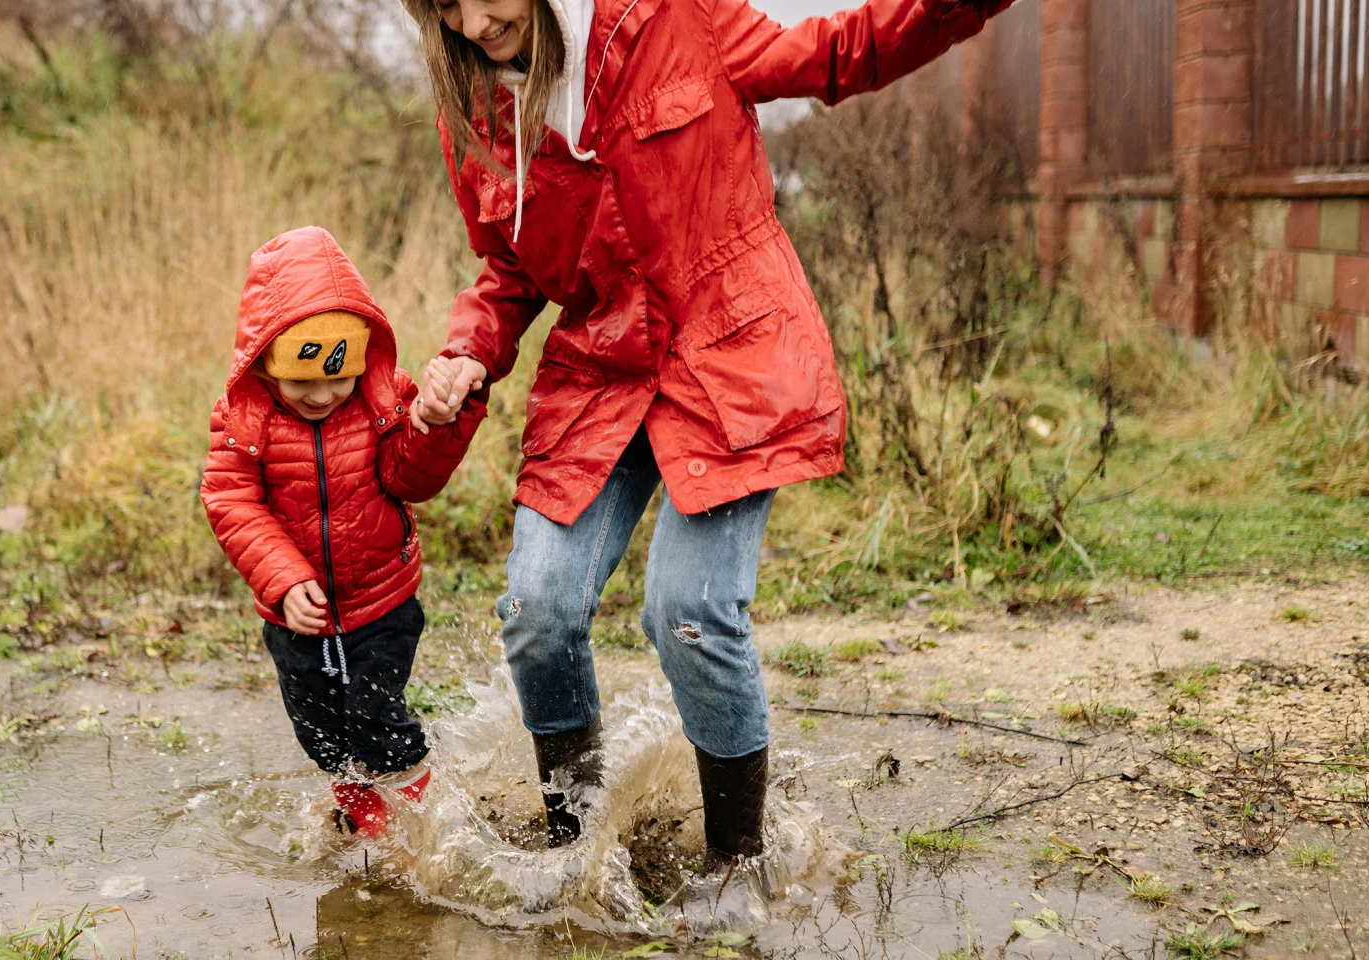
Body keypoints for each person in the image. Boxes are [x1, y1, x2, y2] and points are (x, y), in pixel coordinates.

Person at [402, 0, 1010, 865]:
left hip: (728, 356)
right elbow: (507, 267)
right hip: (600, 370)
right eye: (441, 8)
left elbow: (838, 53)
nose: (469, 24)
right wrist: (467, 353)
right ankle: (575, 848)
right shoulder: (473, 108)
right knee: (536, 609)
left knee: (687, 611)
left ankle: (736, 865)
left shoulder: (671, 20)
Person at [202, 226, 487, 839]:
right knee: (321, 733)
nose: (323, 394)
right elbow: (230, 499)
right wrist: (283, 579)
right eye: (302, 380)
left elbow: (410, 478)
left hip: (381, 601)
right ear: (265, 361)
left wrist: (434, 427)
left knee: (376, 719)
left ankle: (422, 824)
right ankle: (364, 820)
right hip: (296, 615)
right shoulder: (243, 420)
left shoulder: (381, 400)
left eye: (338, 377)